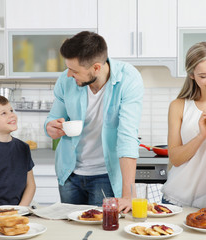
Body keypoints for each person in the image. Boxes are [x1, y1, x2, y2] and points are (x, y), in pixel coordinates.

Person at [44, 31, 143, 212]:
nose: (68, 75)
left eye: (74, 71)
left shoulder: (129, 80)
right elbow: (53, 118)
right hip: (69, 173)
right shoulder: (66, 81)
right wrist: (50, 127)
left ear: (96, 68)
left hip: (105, 175)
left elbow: (127, 137)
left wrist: (129, 195)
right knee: (70, 229)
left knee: (101, 230)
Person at [161, 42, 206, 207]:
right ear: (192, 75)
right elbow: (176, 158)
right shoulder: (179, 106)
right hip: (178, 200)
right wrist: (201, 136)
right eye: (204, 76)